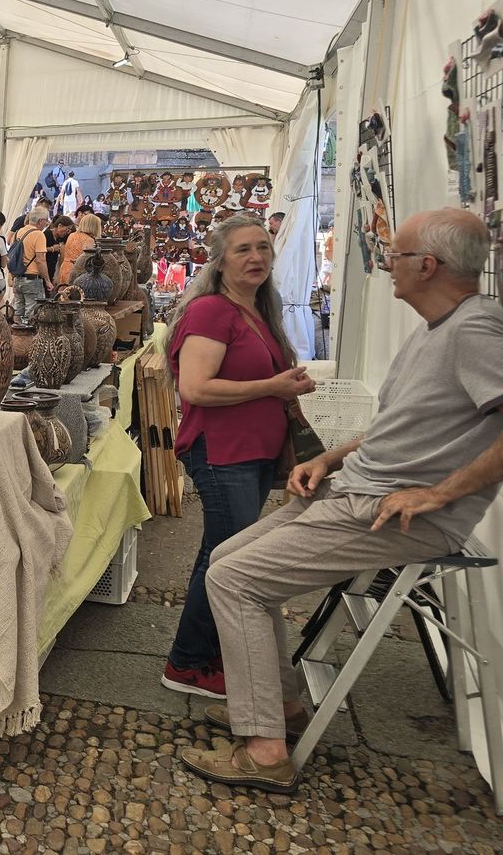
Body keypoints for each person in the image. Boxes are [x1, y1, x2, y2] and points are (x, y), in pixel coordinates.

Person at [179, 209, 503, 795]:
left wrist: (441, 493)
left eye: (396, 256)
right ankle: (279, 708)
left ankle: (265, 750)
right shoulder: (439, 327)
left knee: (233, 580)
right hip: (353, 489)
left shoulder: (474, 330)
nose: (387, 265)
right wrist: (329, 459)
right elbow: (400, 429)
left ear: (427, 266)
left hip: (384, 509)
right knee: (227, 560)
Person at [151, 213, 313, 703]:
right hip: (224, 453)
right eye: (243, 249)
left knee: (222, 555)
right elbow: (196, 388)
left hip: (253, 452)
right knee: (226, 560)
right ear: (220, 262)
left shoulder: (258, 310)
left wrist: (287, 388)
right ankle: (186, 662)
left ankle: (208, 651)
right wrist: (273, 386)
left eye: (263, 247)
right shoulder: (211, 313)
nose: (256, 257)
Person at [9, 209, 53, 323]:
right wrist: (47, 281)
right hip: (32, 279)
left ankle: (17, 332)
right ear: (40, 221)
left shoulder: (18, 232)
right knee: (32, 313)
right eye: (46, 221)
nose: (46, 223)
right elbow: (40, 260)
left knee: (18, 311)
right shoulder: (39, 235)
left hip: (18, 278)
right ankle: (28, 334)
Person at [56, 212, 101, 286]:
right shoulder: (89, 240)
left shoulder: (71, 235)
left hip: (65, 268)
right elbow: (88, 259)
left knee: (63, 291)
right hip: (77, 271)